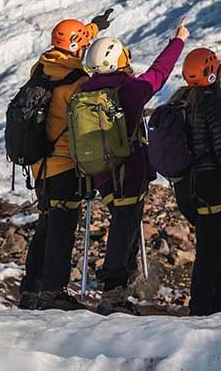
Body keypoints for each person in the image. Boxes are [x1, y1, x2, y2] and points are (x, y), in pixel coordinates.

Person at [78, 17, 187, 315]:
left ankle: (118, 291)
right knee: (125, 229)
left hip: (101, 174)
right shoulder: (128, 90)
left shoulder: (83, 91)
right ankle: (113, 293)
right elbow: (159, 73)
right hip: (130, 171)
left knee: (123, 226)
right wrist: (178, 41)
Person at [19, 11, 107, 310]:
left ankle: (31, 289)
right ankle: (53, 293)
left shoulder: (41, 68)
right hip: (66, 164)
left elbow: (70, 43)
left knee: (46, 225)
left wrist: (93, 27)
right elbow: (84, 128)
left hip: (40, 164)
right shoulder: (78, 81)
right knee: (62, 229)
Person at [167, 47, 221, 316]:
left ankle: (208, 307)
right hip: (212, 184)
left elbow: (207, 80)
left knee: (215, 246)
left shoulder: (183, 99)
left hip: (188, 187)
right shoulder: (213, 104)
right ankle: (204, 310)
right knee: (212, 251)